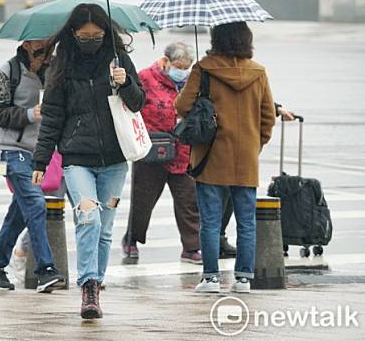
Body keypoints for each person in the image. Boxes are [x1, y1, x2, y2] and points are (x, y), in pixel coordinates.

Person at [32, 4, 146, 319]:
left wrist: (125, 83)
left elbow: (139, 103)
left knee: (106, 227)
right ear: (73, 34)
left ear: (106, 33)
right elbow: (52, 117)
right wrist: (41, 161)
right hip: (77, 159)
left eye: (97, 35)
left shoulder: (119, 60)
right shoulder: (61, 66)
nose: (91, 40)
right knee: (88, 219)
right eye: (85, 36)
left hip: (115, 160)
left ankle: (97, 279)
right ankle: (89, 286)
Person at [175, 21, 276, 294]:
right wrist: (255, 146)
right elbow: (268, 117)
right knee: (246, 221)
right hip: (246, 158)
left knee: (209, 221)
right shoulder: (259, 72)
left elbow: (182, 106)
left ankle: (210, 278)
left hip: (210, 155)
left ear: (216, 39)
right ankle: (243, 279)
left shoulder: (204, 68)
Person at [0, 38, 66, 293]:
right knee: (35, 202)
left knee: (18, 213)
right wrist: (31, 114)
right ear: (28, 43)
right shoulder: (6, 73)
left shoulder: (52, 72)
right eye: (41, 43)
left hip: (40, 152)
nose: (46, 48)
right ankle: (45, 270)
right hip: (13, 150)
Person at [122, 42, 201, 264]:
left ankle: (192, 247)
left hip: (184, 152)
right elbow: (131, 106)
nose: (183, 71)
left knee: (189, 201)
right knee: (142, 200)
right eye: (179, 66)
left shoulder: (193, 82)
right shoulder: (145, 77)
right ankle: (131, 239)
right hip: (152, 151)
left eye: (187, 66)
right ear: (165, 61)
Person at [218, 103, 296, 259]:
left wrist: (276, 109)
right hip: (231, 143)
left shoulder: (251, 78)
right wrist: (259, 141)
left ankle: (217, 242)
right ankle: (217, 246)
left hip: (227, 143)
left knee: (226, 198)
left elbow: (258, 97)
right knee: (227, 200)